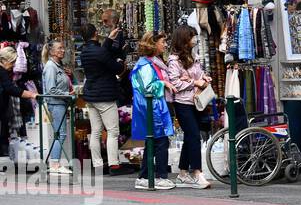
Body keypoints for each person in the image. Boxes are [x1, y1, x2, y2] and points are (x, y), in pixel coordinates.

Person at [79, 24, 134, 175]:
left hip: (91, 95)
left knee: (96, 131)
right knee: (112, 131)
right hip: (104, 95)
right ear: (96, 33)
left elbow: (101, 52)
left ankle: (97, 164)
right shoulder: (100, 52)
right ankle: (114, 165)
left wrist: (109, 39)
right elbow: (116, 68)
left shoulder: (84, 52)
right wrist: (120, 61)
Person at [166, 25, 212, 189]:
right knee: (193, 135)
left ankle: (183, 173)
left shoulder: (194, 56)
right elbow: (175, 83)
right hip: (183, 103)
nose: (195, 39)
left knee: (190, 136)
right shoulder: (174, 60)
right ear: (184, 39)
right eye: (191, 36)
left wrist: (203, 78)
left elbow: (197, 74)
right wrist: (193, 82)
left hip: (197, 101)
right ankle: (197, 173)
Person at [130, 32, 176, 190]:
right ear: (153, 44)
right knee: (160, 141)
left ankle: (144, 176)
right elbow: (148, 88)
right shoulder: (145, 65)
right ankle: (160, 176)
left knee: (154, 142)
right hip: (152, 108)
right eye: (163, 42)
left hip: (155, 107)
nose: (165, 45)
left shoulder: (153, 62)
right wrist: (163, 84)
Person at [41, 40, 74, 176]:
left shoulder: (57, 66)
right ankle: (55, 164)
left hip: (60, 104)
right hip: (56, 104)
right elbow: (51, 89)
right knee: (59, 134)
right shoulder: (50, 67)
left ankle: (56, 163)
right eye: (60, 48)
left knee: (60, 134)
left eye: (63, 47)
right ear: (52, 51)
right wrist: (67, 95)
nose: (63, 50)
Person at [0, 46, 38, 159]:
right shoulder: (2, 72)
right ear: (4, 60)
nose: (13, 66)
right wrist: (31, 94)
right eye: (12, 62)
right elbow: (10, 89)